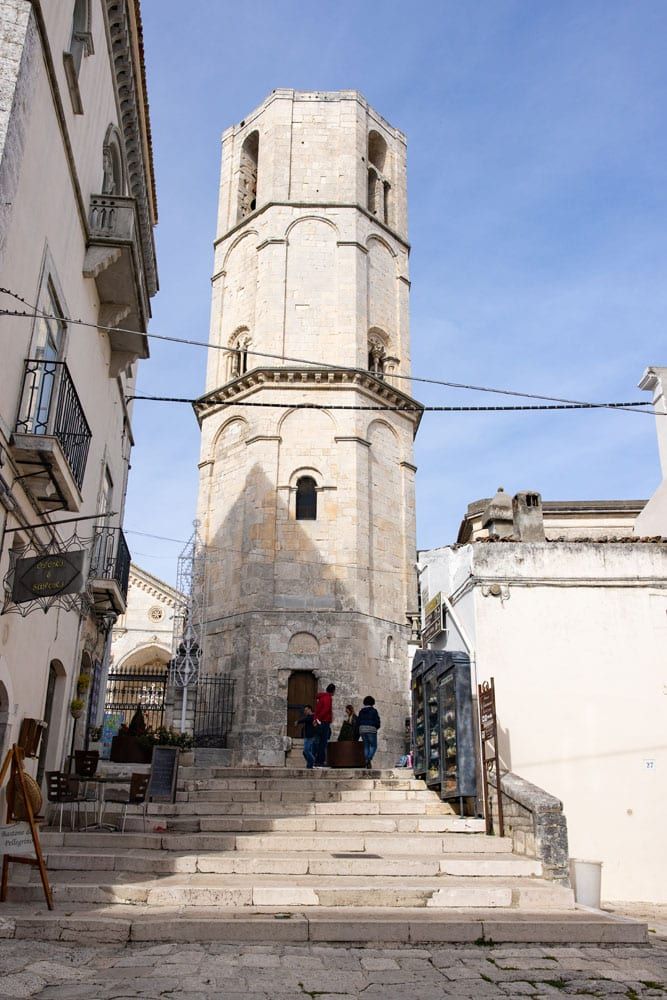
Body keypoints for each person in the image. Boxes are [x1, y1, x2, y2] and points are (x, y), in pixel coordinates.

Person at [313, 683, 336, 766]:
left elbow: (317, 710)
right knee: (323, 742)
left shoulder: (321, 697)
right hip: (324, 722)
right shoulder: (328, 698)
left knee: (318, 741)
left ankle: (316, 760)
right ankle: (320, 761)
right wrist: (318, 719)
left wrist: (315, 719)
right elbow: (325, 710)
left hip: (319, 722)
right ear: (333, 691)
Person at [357, 695, 381, 769]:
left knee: (366, 746)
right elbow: (377, 721)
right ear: (372, 703)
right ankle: (368, 759)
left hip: (362, 729)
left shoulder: (361, 711)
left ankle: (366, 760)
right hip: (371, 729)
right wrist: (376, 727)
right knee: (373, 746)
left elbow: (358, 721)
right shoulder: (374, 711)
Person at [297, 705, 318, 769]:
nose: (305, 712)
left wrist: (298, 721)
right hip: (307, 736)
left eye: (306, 710)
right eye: (304, 710)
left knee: (306, 751)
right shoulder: (309, 717)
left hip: (310, 737)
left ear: (309, 709)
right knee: (305, 752)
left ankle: (313, 761)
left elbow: (306, 719)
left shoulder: (312, 716)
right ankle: (310, 764)